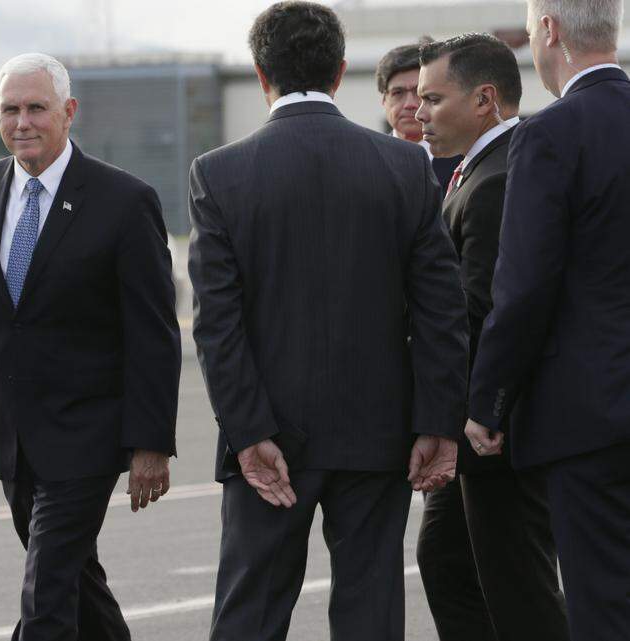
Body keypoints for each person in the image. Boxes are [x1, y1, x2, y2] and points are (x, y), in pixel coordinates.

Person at [189, 3, 468, 639]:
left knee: (250, 613)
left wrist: (247, 430)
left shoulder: (219, 173)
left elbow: (217, 324)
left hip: (269, 437)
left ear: (262, 73)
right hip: (379, 430)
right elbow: (440, 309)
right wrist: (436, 421)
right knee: (370, 611)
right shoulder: (403, 168)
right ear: (341, 72)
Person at [0, 53, 181, 640]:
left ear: (68, 112)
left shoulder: (124, 200)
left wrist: (150, 443)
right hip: (12, 433)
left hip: (88, 432)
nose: (21, 122)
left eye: (36, 108)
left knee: (45, 593)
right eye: (9, 109)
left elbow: (153, 333)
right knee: (78, 583)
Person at [466, 1, 630, 638]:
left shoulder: (549, 135)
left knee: (605, 605)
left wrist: (489, 401)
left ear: (550, 30)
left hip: (589, 420)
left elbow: (525, 288)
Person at [413, 33, 569, 641]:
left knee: (517, 585)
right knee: (449, 562)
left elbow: (486, 311)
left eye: (433, 98)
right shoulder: (476, 168)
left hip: (495, 428)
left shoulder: (500, 175)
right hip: (478, 422)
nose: (419, 113)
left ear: (484, 100)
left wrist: (483, 409)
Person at [377, 39, 463, 187]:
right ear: (384, 100)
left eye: (419, 92)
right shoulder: (370, 159)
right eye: (398, 93)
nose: (410, 104)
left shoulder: (463, 159)